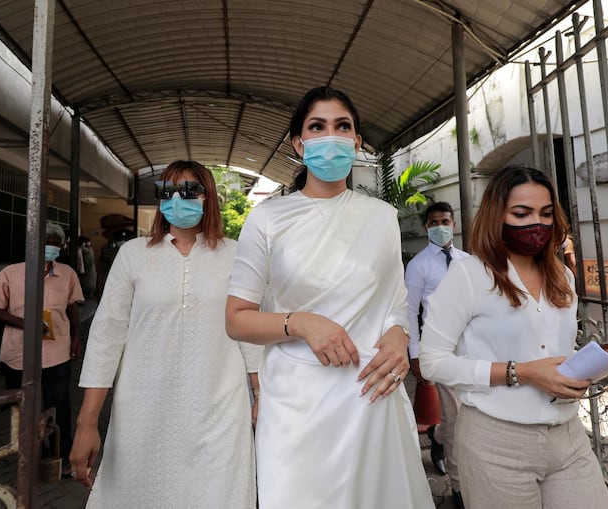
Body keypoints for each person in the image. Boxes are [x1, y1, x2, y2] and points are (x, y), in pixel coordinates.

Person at [225, 86, 434, 509]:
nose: (330, 136)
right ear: (299, 144)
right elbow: (237, 319)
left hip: (371, 392)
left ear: (356, 142)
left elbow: (395, 304)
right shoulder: (268, 218)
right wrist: (298, 322)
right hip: (296, 405)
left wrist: (397, 338)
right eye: (316, 127)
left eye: (343, 126)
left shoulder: (382, 217)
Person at [419, 165, 608, 508]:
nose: (536, 224)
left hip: (568, 437)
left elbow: (556, 354)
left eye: (545, 213)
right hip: (495, 440)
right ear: (497, 215)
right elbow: (432, 363)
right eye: (521, 213)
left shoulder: (562, 277)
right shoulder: (468, 275)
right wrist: (522, 372)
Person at [70, 160, 261, 508]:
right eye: (166, 191)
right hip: (142, 409)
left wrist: (262, 392)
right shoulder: (133, 255)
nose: (177, 200)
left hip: (220, 408)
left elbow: (249, 328)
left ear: (208, 196)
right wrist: (87, 422)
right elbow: (107, 337)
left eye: (189, 190)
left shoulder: (237, 255)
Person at [0, 221, 83, 476]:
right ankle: (31, 455)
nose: (50, 247)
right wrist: (25, 322)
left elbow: (73, 307)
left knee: (59, 404)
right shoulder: (10, 273)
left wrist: (75, 338)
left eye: (55, 244)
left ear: (61, 247)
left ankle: (62, 455)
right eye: (45, 242)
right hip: (19, 352)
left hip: (57, 352)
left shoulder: (68, 274)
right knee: (23, 406)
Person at [404, 201, 468, 508]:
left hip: (471, 350)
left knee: (469, 414)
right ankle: (458, 487)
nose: (439, 226)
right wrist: (415, 354)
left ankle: (437, 436)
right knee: (457, 418)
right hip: (439, 350)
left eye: (444, 221)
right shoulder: (418, 266)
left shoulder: (468, 262)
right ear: (426, 227)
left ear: (453, 224)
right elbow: (409, 311)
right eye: (433, 223)